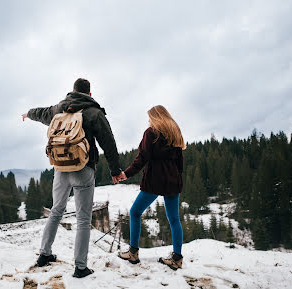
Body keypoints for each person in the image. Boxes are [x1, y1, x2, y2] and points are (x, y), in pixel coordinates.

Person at [22, 78, 124, 278]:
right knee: (83, 218)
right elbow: (108, 143)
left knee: (56, 211)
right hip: (84, 168)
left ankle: (44, 254)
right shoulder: (94, 112)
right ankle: (80, 267)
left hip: (60, 167)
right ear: (90, 94)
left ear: (73, 91)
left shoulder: (59, 109)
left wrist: (28, 114)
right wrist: (115, 170)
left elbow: (41, 113)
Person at [118, 105, 185, 270]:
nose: (149, 120)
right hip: (172, 179)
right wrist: (175, 176)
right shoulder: (175, 131)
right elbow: (180, 162)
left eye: (150, 117)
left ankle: (133, 253)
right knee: (174, 219)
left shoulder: (151, 132)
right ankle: (177, 259)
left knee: (135, 212)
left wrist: (126, 174)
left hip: (155, 180)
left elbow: (142, 158)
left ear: (155, 117)